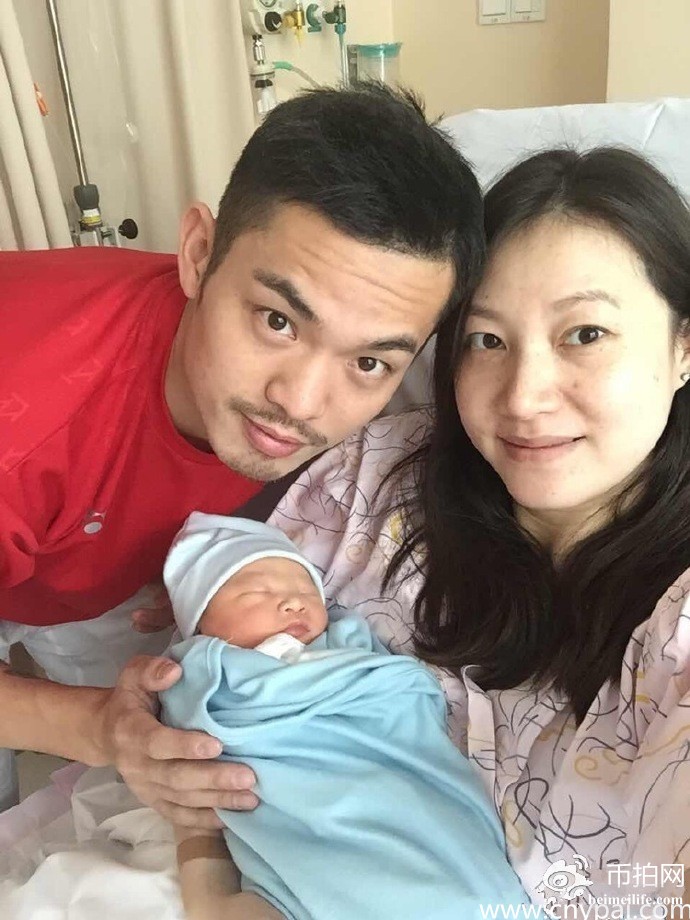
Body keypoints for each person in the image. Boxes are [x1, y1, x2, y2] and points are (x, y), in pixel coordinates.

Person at [0, 82, 484, 820]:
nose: (301, 403)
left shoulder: (358, 421)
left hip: (69, 556)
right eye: (278, 321)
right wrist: (92, 725)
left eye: (369, 362)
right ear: (199, 253)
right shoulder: (29, 425)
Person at [264, 147, 690, 909]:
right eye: (486, 340)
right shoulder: (373, 481)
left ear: (683, 346)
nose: (523, 397)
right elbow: (219, 696)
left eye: (585, 334)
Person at [158, 512, 528, 920]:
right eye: (256, 592)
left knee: (458, 884)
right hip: (298, 820)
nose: (294, 601)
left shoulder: (347, 642)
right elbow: (175, 745)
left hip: (390, 784)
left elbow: (400, 691)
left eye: (305, 588)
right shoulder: (202, 673)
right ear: (201, 626)